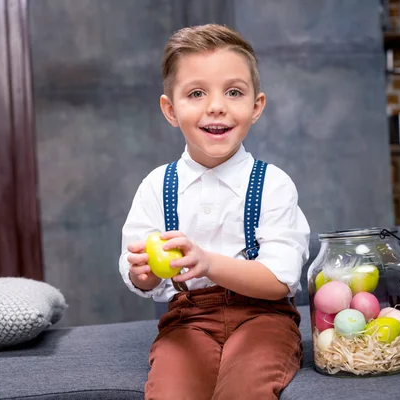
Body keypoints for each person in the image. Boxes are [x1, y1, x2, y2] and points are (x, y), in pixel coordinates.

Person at [119, 23, 311, 400]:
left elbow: (279, 280)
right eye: (196, 93)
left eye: (234, 92)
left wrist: (208, 263)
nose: (216, 106)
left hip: (263, 318)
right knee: (170, 393)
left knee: (245, 390)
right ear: (170, 110)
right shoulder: (157, 186)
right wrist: (141, 273)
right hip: (188, 320)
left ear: (256, 107)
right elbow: (142, 278)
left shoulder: (272, 184)